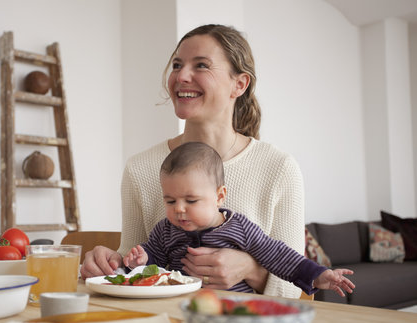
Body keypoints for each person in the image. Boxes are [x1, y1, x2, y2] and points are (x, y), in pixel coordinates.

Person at [81, 24, 304, 298]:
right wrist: (109, 263)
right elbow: (135, 265)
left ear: (239, 84)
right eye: (177, 65)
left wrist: (250, 270)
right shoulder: (140, 168)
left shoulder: (279, 168)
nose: (181, 76)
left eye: (201, 65)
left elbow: (295, 288)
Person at [123, 142, 355, 297]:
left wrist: (317, 275)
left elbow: (278, 255)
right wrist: (141, 259)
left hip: (235, 311)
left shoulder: (239, 228)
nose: (179, 210)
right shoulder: (165, 230)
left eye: (191, 201)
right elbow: (155, 261)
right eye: (170, 201)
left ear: (219, 196)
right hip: (183, 308)